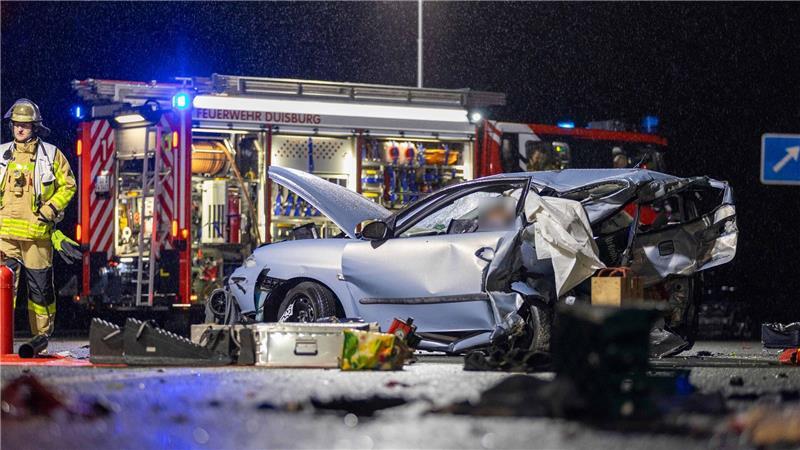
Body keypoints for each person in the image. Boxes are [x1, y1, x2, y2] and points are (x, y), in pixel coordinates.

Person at [0, 99, 76, 337]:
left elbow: (69, 185)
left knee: (40, 291)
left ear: (35, 127)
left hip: (37, 237)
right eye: (16, 125)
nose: (20, 129)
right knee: (2, 289)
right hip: (4, 237)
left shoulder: (51, 154)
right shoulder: (2, 154)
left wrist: (50, 210)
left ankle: (40, 337)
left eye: (25, 125)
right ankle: (1, 338)